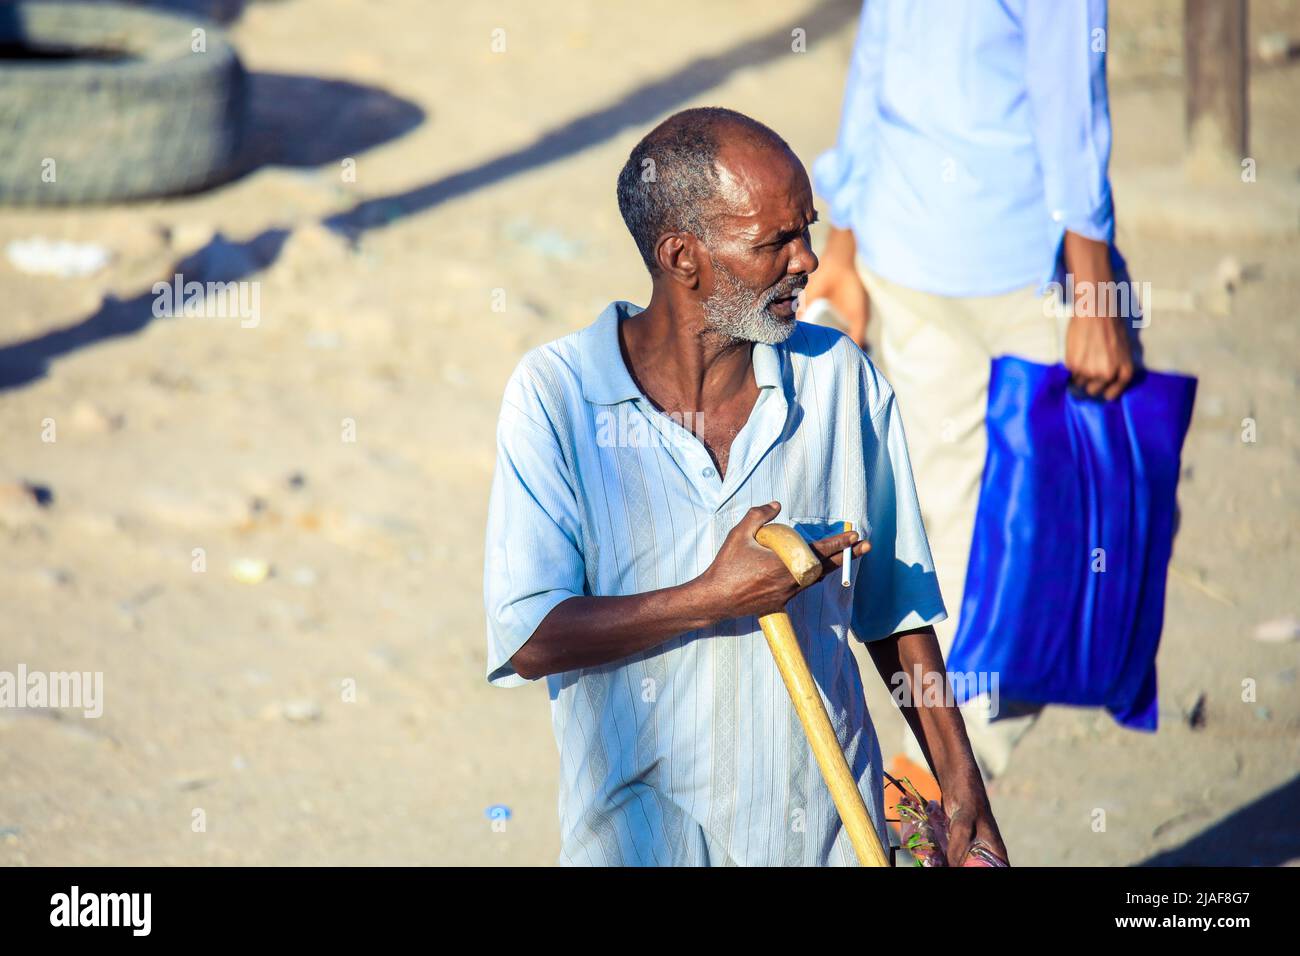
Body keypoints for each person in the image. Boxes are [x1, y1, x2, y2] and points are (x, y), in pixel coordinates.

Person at [483, 107, 1006, 866]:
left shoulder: (837, 380)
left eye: (807, 229)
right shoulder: (556, 396)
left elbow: (896, 611)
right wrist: (715, 596)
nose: (808, 262)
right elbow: (530, 637)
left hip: (828, 837)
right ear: (682, 257)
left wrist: (964, 793)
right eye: (775, 242)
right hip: (639, 842)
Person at [804, 0, 1138, 783]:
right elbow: (1069, 101)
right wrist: (1094, 294)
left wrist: (844, 242)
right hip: (1018, 264)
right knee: (1054, 524)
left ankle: (934, 782)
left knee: (947, 525)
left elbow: (875, 64)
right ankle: (955, 782)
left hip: (906, 241)